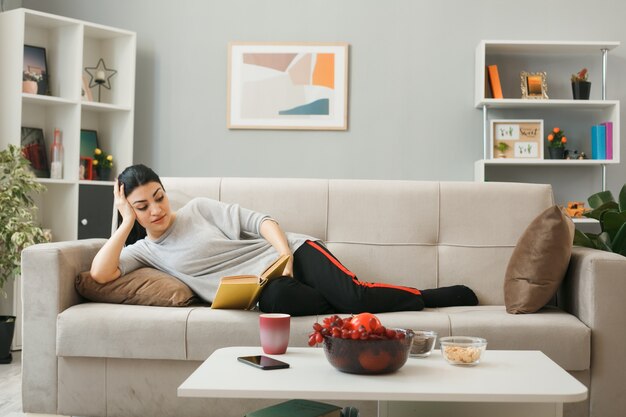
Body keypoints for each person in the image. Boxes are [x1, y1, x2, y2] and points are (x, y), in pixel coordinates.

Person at [91, 164, 478, 316]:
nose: (156, 209)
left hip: (295, 253)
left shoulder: (199, 209)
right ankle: (345, 295)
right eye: (144, 206)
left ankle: (430, 296)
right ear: (132, 209)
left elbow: (262, 221)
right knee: (275, 302)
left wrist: (284, 255)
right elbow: (101, 273)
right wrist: (125, 222)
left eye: (159, 197)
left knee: (356, 300)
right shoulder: (145, 251)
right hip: (270, 288)